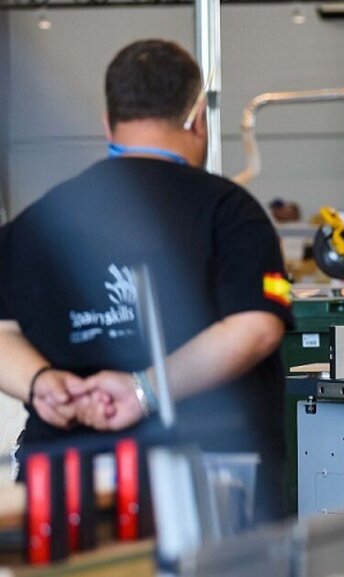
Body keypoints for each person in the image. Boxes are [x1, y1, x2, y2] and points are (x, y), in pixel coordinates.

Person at [0, 39, 293, 520]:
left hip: (63, 485)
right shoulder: (229, 210)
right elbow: (256, 326)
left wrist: (42, 384)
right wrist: (144, 391)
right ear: (198, 118)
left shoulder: (38, 220)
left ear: (107, 122)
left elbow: (2, 330)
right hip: (200, 483)